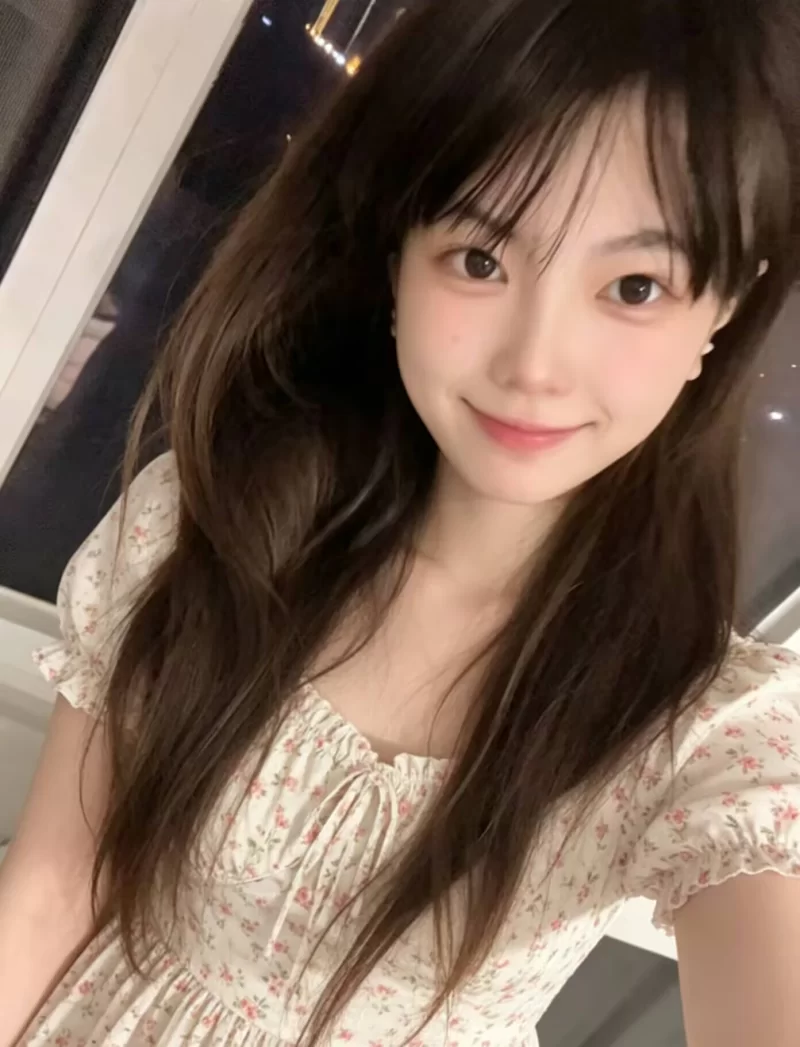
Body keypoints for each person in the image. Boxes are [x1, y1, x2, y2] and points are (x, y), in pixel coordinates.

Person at [1, 0, 800, 1044]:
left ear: (724, 306)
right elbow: (55, 889)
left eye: (634, 285)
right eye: (479, 259)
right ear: (395, 259)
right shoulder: (210, 526)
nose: (534, 364)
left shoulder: (701, 728)